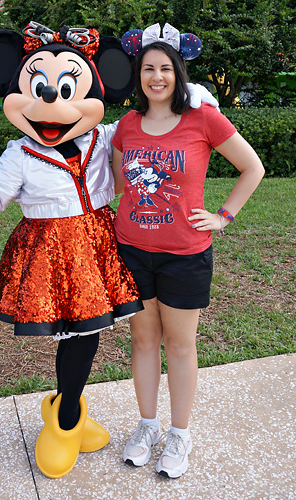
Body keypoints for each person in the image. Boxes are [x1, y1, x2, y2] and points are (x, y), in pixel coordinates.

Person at [0, 21, 215, 479]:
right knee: (75, 335)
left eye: (68, 87)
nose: (52, 100)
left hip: (99, 243)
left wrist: (194, 102)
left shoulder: (103, 136)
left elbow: (152, 126)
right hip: (51, 249)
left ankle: (66, 411)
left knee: (89, 334)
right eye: (39, 87)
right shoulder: (21, 153)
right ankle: (66, 418)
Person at [112, 23, 265, 479]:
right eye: (147, 69)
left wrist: (224, 216)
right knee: (142, 341)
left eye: (164, 68)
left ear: (178, 73)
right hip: (131, 249)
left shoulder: (204, 119)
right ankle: (146, 427)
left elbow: (252, 167)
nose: (156, 77)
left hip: (185, 252)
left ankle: (179, 434)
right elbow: (117, 184)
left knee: (179, 345)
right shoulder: (126, 125)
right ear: (138, 75)